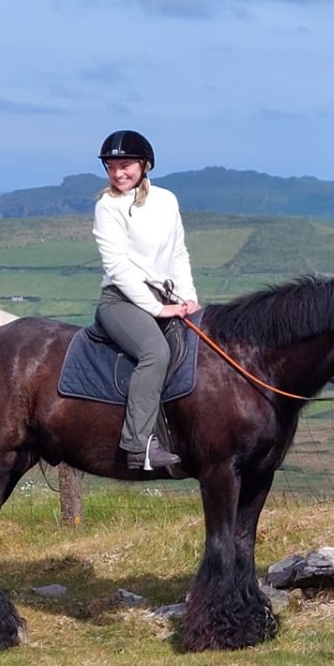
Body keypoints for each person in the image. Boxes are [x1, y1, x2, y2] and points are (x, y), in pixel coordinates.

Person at [92, 129, 200, 471]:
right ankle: (139, 447)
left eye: (125, 165)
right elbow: (118, 268)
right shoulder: (107, 206)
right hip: (121, 301)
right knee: (155, 353)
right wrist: (157, 308)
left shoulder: (167, 200)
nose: (118, 173)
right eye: (111, 167)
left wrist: (189, 298)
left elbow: (178, 252)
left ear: (145, 165)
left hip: (167, 297)